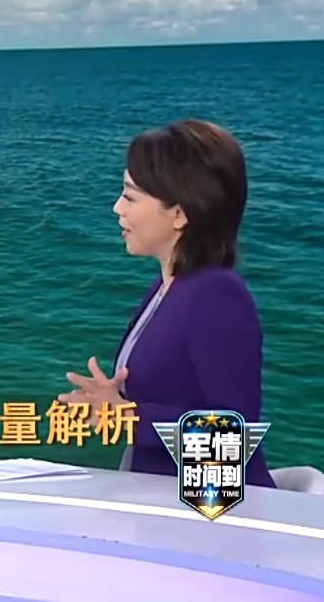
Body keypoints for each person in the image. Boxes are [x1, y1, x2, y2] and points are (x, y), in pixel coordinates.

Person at [59, 119, 275, 488]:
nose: (117, 208)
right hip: (158, 500)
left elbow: (233, 437)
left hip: (209, 510)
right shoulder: (168, 287)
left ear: (179, 213)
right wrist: (114, 400)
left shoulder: (216, 295)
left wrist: (129, 418)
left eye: (130, 196)